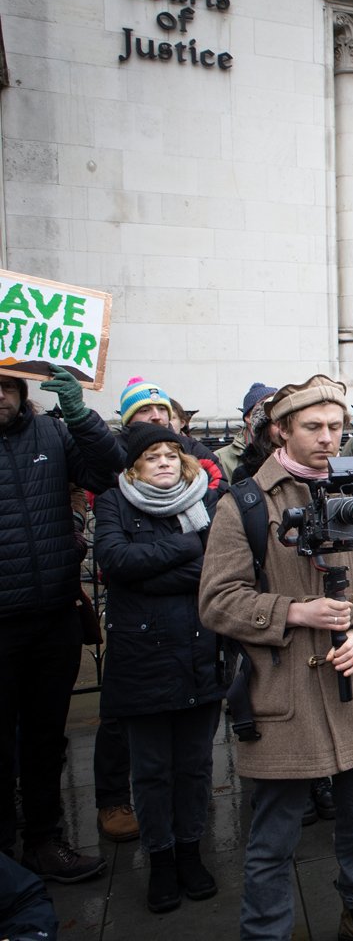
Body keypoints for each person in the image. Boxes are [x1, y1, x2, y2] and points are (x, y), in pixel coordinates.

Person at [200, 375, 353, 941]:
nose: (329, 438)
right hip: (284, 694)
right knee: (273, 835)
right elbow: (217, 601)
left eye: (336, 427)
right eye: (314, 427)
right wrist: (294, 613)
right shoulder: (245, 503)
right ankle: (266, 933)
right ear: (281, 430)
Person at [93, 424, 225, 913]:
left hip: (197, 651)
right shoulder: (114, 503)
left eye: (172, 453)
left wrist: (151, 575)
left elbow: (220, 569)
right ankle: (162, 861)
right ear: (134, 466)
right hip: (142, 658)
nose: (166, 461)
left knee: (193, 767)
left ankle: (190, 852)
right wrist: (187, 550)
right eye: (153, 456)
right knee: (150, 771)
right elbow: (114, 560)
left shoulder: (206, 503)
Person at [0, 367, 120, 884]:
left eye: (6, 387)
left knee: (47, 737)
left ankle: (44, 841)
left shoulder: (51, 432)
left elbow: (108, 472)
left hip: (53, 616)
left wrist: (81, 415)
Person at [216, 382, 276, 482]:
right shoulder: (221, 458)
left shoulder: (291, 451)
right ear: (248, 416)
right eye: (265, 408)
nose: (274, 414)